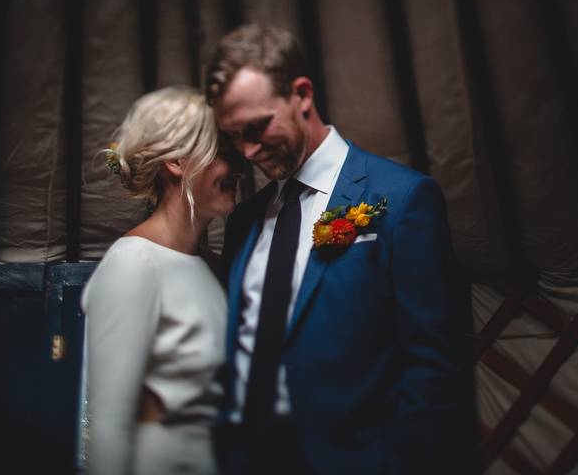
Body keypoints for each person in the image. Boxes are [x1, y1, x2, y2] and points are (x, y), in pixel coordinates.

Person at [205, 23, 470, 474]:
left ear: (302, 95)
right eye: (233, 136)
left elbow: (435, 365)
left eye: (256, 128)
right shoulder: (244, 221)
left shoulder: (401, 199)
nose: (246, 153)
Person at [81, 86, 241, 475]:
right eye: (223, 152)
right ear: (177, 162)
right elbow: (108, 426)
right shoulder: (134, 264)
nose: (237, 168)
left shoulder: (207, 265)